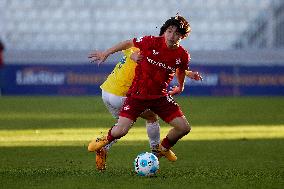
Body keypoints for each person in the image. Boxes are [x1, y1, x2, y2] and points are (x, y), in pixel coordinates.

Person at [88, 15, 195, 168]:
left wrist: (181, 85)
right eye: (169, 31)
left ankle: (161, 149)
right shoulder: (150, 42)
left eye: (177, 33)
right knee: (121, 131)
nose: (172, 36)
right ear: (164, 31)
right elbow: (127, 43)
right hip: (137, 95)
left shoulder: (183, 55)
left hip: (160, 97)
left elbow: (181, 70)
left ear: (182, 36)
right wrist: (106, 53)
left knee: (184, 128)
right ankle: (104, 140)